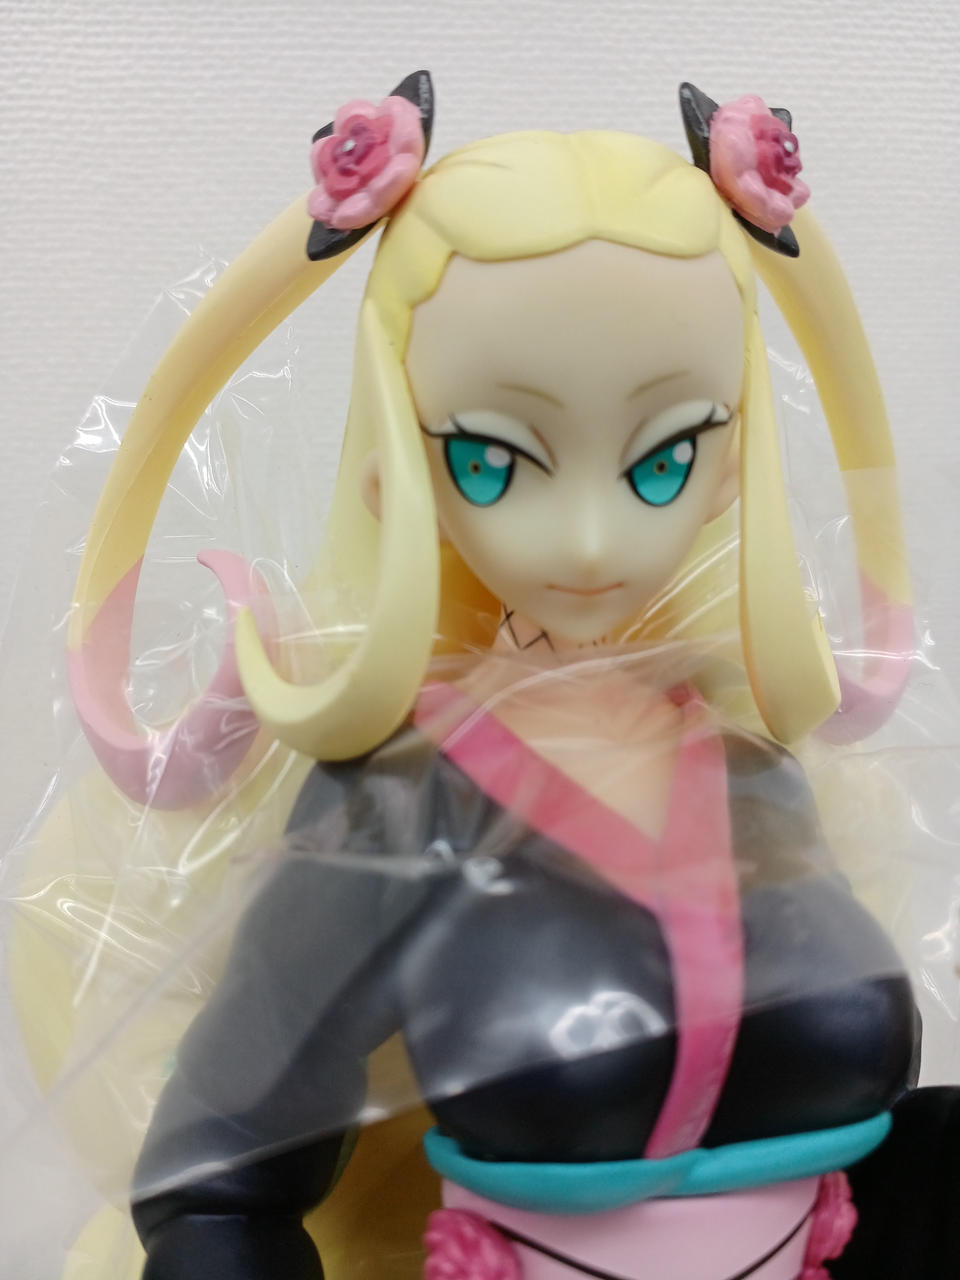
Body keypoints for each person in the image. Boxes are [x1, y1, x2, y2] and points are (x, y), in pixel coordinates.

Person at [54, 75, 956, 1278]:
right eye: (492, 459)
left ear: (731, 464)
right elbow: (218, 1181)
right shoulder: (395, 804)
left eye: (662, 458)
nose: (586, 540)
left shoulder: (763, 772)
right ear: (397, 471)